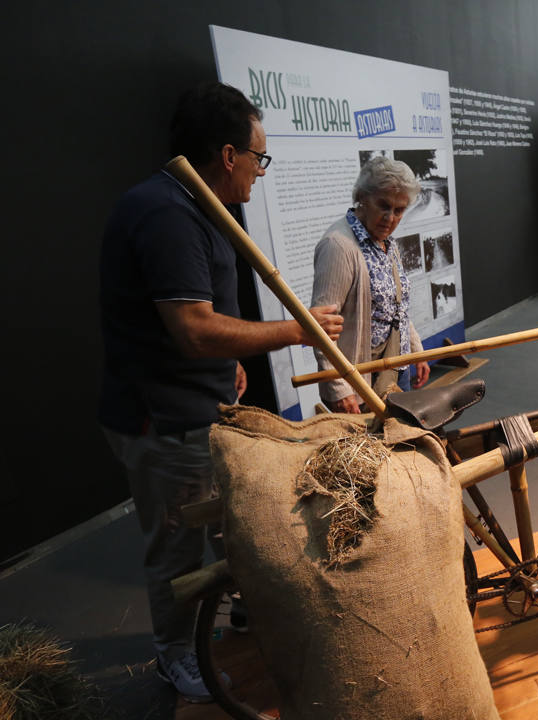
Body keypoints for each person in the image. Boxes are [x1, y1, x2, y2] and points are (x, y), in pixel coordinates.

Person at [98, 82, 344, 702]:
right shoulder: (166, 213)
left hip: (200, 403)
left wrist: (229, 359)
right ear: (227, 154)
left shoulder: (198, 207)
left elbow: (201, 323)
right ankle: (175, 657)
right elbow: (191, 328)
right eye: (259, 157)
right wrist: (295, 328)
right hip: (164, 420)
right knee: (178, 546)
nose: (262, 171)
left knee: (222, 523)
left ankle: (224, 614)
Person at [311, 156, 431, 411]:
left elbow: (397, 307)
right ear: (363, 197)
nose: (390, 218)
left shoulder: (386, 242)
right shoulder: (338, 247)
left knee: (402, 445)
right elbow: (321, 328)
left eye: (399, 210)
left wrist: (417, 353)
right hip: (360, 386)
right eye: (383, 206)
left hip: (397, 369)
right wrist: (339, 389)